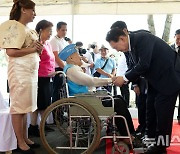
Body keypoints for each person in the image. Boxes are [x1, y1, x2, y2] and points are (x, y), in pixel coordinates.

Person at [106, 28, 180, 153]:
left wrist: (124, 78)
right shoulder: (130, 46)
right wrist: (127, 79)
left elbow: (144, 64)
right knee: (150, 107)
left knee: (163, 113)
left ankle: (161, 147)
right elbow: (135, 67)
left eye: (115, 46)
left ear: (122, 38)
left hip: (169, 78)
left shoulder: (142, 39)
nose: (116, 50)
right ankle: (150, 139)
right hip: (155, 80)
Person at [58, 44, 136, 140]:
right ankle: (127, 135)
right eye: (78, 54)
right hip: (84, 102)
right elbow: (91, 81)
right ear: (71, 58)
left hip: (85, 99)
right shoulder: (72, 70)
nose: (80, 56)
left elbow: (86, 67)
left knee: (118, 98)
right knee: (118, 102)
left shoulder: (72, 68)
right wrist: (110, 80)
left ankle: (129, 132)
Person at [0, 0, 43, 153]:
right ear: (24, 10)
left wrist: (38, 49)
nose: (34, 14)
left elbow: (30, 49)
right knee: (18, 107)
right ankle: (19, 141)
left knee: (25, 107)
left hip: (29, 72)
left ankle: (24, 137)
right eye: (32, 11)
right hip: (19, 72)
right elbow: (10, 52)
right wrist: (32, 49)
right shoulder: (13, 26)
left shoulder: (27, 29)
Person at [28, 20, 55, 137]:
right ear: (41, 30)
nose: (50, 33)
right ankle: (35, 127)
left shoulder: (47, 43)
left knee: (44, 103)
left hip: (47, 77)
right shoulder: (37, 44)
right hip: (39, 77)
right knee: (39, 104)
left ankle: (40, 125)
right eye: (49, 31)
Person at [50, 21, 71, 102]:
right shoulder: (54, 41)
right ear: (57, 30)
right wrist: (65, 68)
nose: (64, 32)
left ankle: (61, 111)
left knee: (63, 91)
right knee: (57, 91)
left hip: (64, 67)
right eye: (62, 30)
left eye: (66, 30)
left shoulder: (63, 41)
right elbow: (56, 57)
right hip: (58, 69)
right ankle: (55, 111)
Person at [170, 29, 180, 125]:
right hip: (171, 80)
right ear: (174, 37)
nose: (179, 41)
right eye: (177, 39)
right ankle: (168, 117)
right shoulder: (168, 48)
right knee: (169, 100)